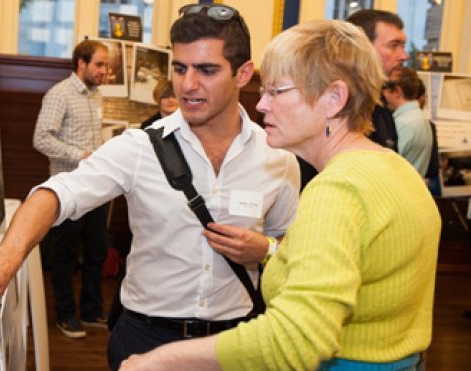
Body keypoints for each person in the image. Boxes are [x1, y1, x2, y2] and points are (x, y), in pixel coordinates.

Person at [0, 3, 300, 370]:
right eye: (180, 68)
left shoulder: (277, 158)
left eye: (206, 70)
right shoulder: (140, 147)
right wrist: (6, 258)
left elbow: (294, 247)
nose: (188, 84)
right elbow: (56, 194)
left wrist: (267, 249)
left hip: (237, 345)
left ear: (242, 74)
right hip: (145, 341)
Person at [119, 19, 441, 371]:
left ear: (334, 98)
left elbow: (297, 340)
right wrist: (270, 249)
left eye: (276, 91)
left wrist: (162, 359)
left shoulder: (338, 189)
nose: (261, 105)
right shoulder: (397, 170)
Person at [32, 39, 111, 339]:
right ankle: (65, 315)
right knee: (64, 253)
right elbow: (41, 139)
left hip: (98, 187)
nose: (105, 70)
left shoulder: (97, 95)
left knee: (97, 250)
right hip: (69, 187)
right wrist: (81, 155)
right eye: (100, 64)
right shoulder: (59, 94)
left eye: (106, 65)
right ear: (81, 63)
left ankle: (91, 311)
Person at [298, 9, 407, 189]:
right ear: (361, 47)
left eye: (403, 46)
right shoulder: (331, 108)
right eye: (393, 45)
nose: (404, 55)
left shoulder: (382, 109)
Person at [382, 67, 433, 176]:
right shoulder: (421, 119)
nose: (382, 95)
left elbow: (385, 168)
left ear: (397, 91)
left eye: (384, 89)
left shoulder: (403, 124)